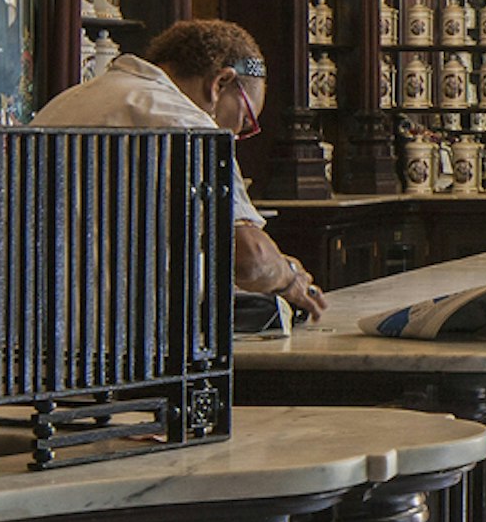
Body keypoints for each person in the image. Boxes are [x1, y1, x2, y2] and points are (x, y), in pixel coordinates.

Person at [33, 18, 327, 322]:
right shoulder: (186, 124)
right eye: (245, 120)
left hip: (22, 339)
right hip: (107, 343)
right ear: (220, 84)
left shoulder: (66, 102)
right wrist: (289, 277)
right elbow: (251, 260)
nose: (237, 135)